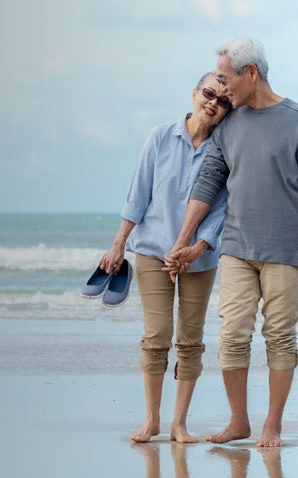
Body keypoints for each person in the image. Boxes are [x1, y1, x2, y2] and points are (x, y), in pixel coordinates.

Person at [165, 36, 298, 447]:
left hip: (285, 251)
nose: (223, 88)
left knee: (280, 337)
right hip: (236, 248)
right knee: (232, 334)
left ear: (252, 74)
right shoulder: (228, 124)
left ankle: (272, 426)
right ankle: (238, 422)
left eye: (227, 79)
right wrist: (183, 240)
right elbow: (209, 180)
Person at [97, 72, 231, 443]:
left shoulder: (224, 150)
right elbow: (137, 195)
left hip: (198, 260)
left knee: (190, 340)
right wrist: (118, 244)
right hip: (152, 252)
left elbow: (220, 209)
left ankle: (179, 424)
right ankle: (152, 419)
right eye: (209, 94)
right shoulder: (160, 137)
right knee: (157, 335)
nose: (213, 103)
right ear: (194, 93)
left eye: (223, 101)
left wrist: (197, 247)